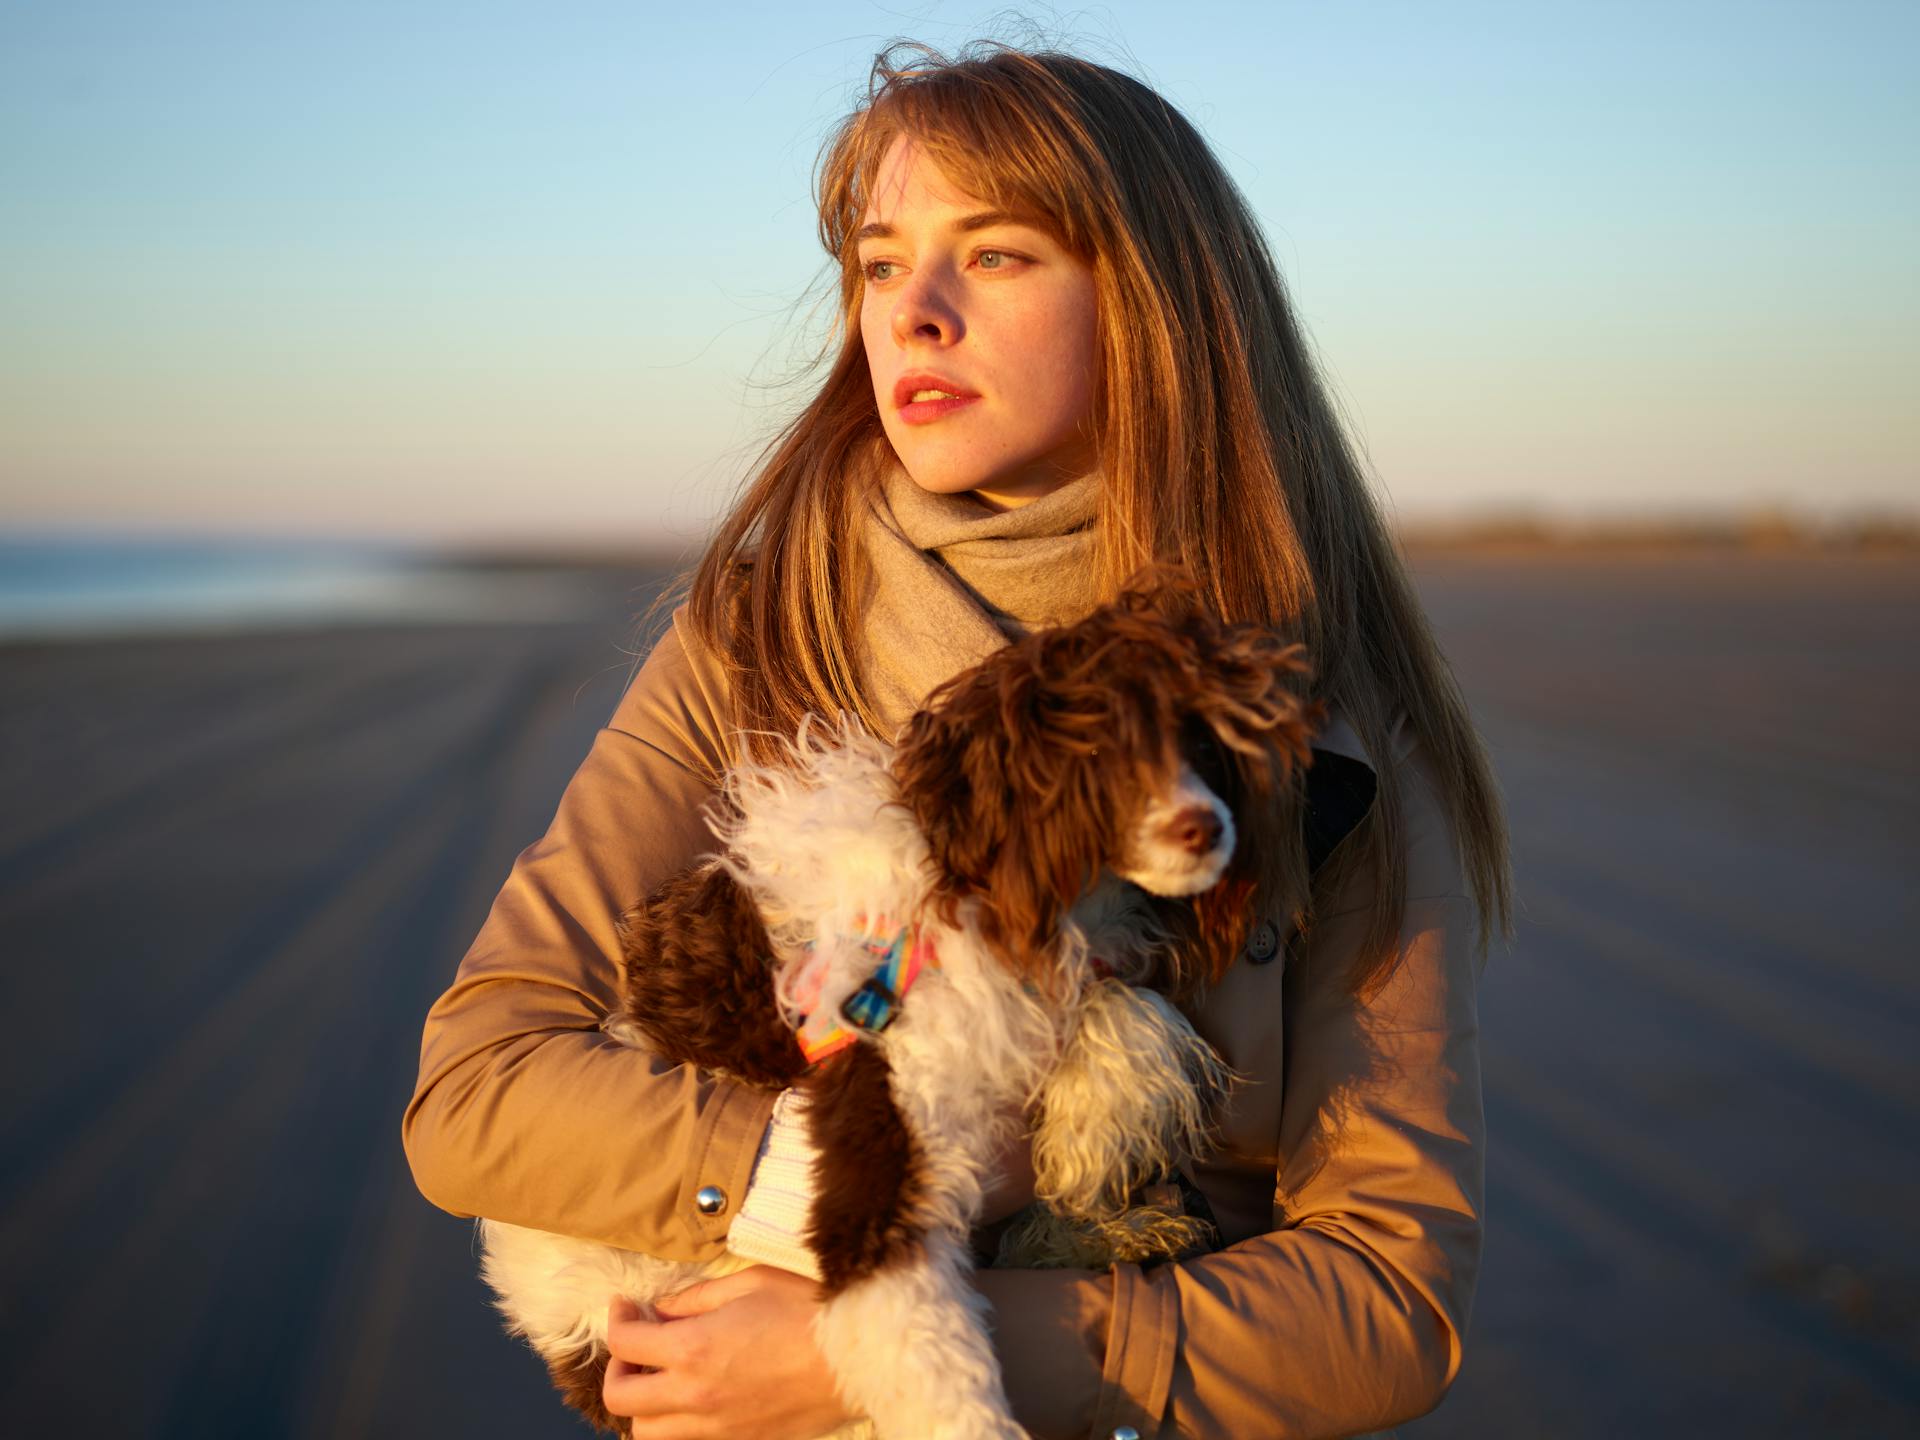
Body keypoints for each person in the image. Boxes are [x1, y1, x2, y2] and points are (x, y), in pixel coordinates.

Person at [403, 39, 1512, 1440]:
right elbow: (477, 1091)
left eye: (994, 256)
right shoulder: (759, 637)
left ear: (1156, 307)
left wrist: (888, 1347)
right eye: (879, 265)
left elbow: (1389, 1300)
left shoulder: (1313, 729)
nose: (914, 313)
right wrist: (842, 1207)